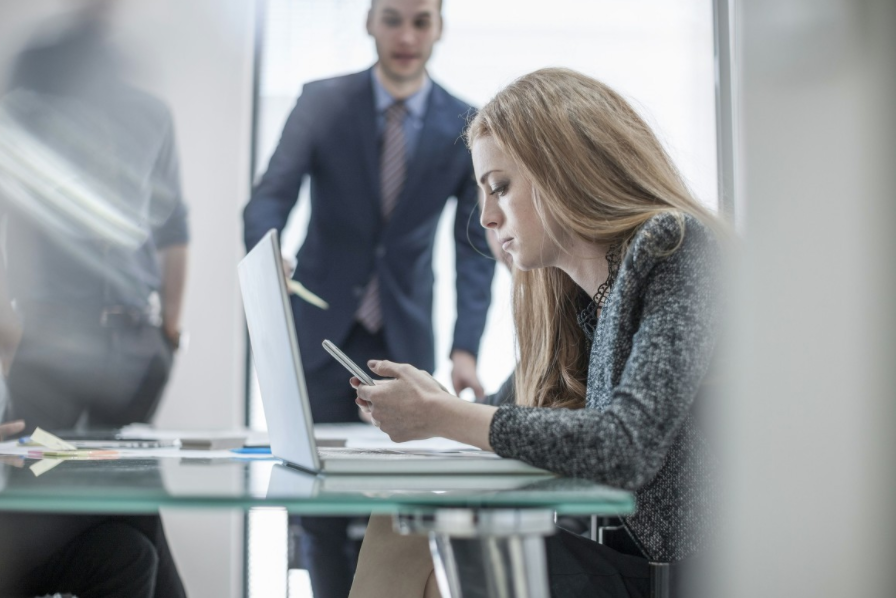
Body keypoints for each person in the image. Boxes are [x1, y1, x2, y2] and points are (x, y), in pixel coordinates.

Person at [348, 68, 725, 598]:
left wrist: (441, 415)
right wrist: (430, 403)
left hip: (694, 576)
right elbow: (513, 408)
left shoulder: (676, 247)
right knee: (406, 522)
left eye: (499, 187)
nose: (485, 217)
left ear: (565, 171)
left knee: (422, 540)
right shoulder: (580, 299)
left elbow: (626, 445)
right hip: (627, 565)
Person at [243, 0, 494, 595]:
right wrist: (267, 248)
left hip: (405, 338)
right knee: (318, 504)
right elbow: (269, 196)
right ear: (370, 23)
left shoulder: (465, 122)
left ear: (438, 28)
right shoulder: (322, 101)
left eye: (420, 21)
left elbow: (474, 249)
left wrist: (465, 349)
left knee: (400, 499)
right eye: (392, 19)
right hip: (320, 333)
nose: (406, 35)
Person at [0, 6, 189, 430]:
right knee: (40, 479)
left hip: (135, 340)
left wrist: (170, 332)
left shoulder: (152, 114)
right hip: (49, 332)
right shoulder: (23, 112)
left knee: (128, 485)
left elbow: (173, 223)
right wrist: (6, 327)